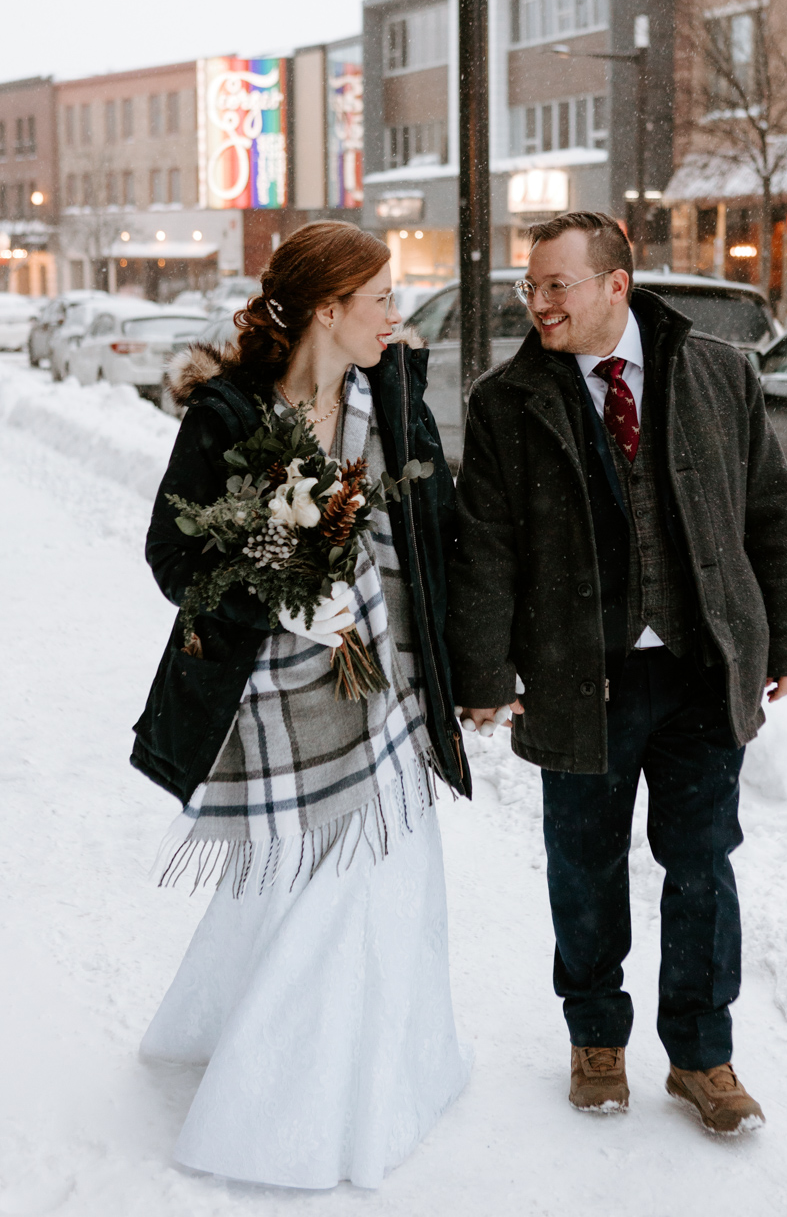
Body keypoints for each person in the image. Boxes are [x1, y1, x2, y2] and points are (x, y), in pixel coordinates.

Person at [448, 211, 787, 1133]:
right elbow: (484, 548)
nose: (537, 303)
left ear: (615, 284)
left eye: (554, 285)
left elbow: (769, 514)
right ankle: (595, 1038)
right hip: (576, 676)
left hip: (700, 669)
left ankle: (702, 1056)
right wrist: (485, 671)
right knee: (584, 865)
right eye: (528, 288)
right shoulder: (506, 401)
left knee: (701, 866)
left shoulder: (719, 373)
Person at [131, 221, 471, 1189]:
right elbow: (173, 557)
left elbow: (442, 535)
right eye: (379, 301)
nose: (393, 318)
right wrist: (279, 588)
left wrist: (481, 669)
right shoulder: (229, 415)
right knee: (317, 898)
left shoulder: (394, 397)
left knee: (373, 891)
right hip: (276, 699)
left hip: (391, 691)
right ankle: (285, 1118)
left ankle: (379, 1072)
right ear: (329, 309)